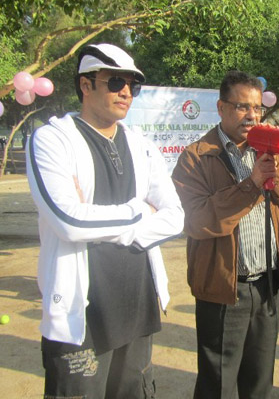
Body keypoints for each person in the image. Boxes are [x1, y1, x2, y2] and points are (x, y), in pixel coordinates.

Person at [26, 43, 184, 398]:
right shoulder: (52, 140)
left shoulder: (141, 145)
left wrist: (97, 220)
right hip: (81, 312)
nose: (126, 92)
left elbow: (176, 217)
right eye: (115, 82)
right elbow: (69, 221)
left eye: (133, 85)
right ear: (86, 84)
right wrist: (140, 211)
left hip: (138, 303)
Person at [172, 70, 279, 399]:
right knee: (217, 384)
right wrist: (251, 185)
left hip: (268, 285)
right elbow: (198, 221)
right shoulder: (195, 157)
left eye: (257, 107)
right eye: (242, 107)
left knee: (259, 381)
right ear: (221, 108)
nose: (252, 115)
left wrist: (277, 173)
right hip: (223, 289)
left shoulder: (272, 153)